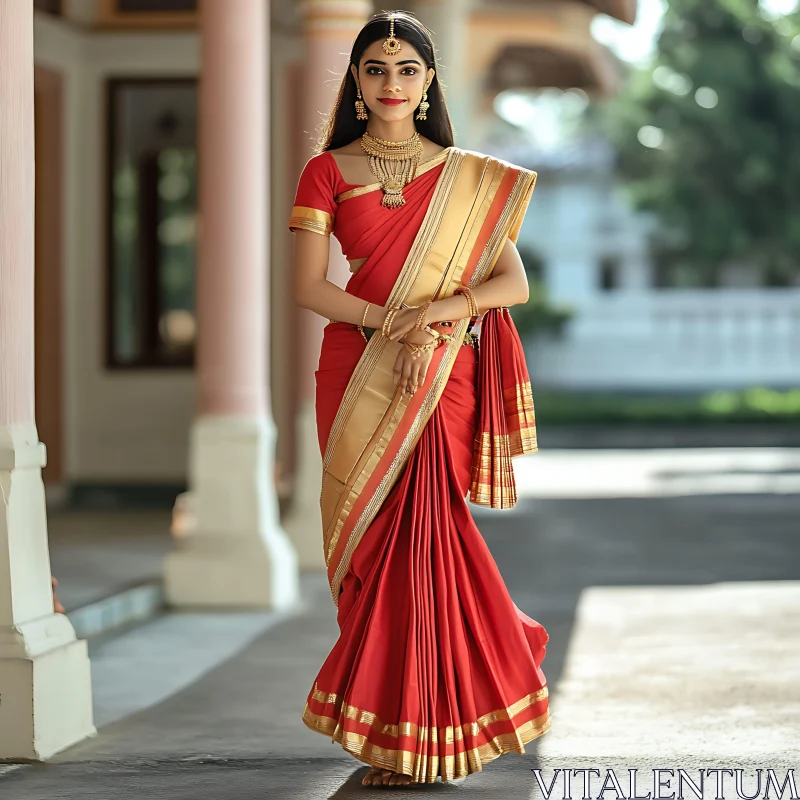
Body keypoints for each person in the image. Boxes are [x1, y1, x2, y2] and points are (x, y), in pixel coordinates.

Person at [289, 10, 550, 788]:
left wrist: (430, 318)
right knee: (369, 547)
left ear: (428, 81)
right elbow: (308, 288)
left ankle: (425, 733)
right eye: (376, 69)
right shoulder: (326, 171)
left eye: (407, 70)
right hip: (357, 368)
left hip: (440, 373)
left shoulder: (468, 177)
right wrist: (387, 324)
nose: (392, 83)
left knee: (426, 540)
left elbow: (513, 283)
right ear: (357, 84)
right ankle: (399, 725)